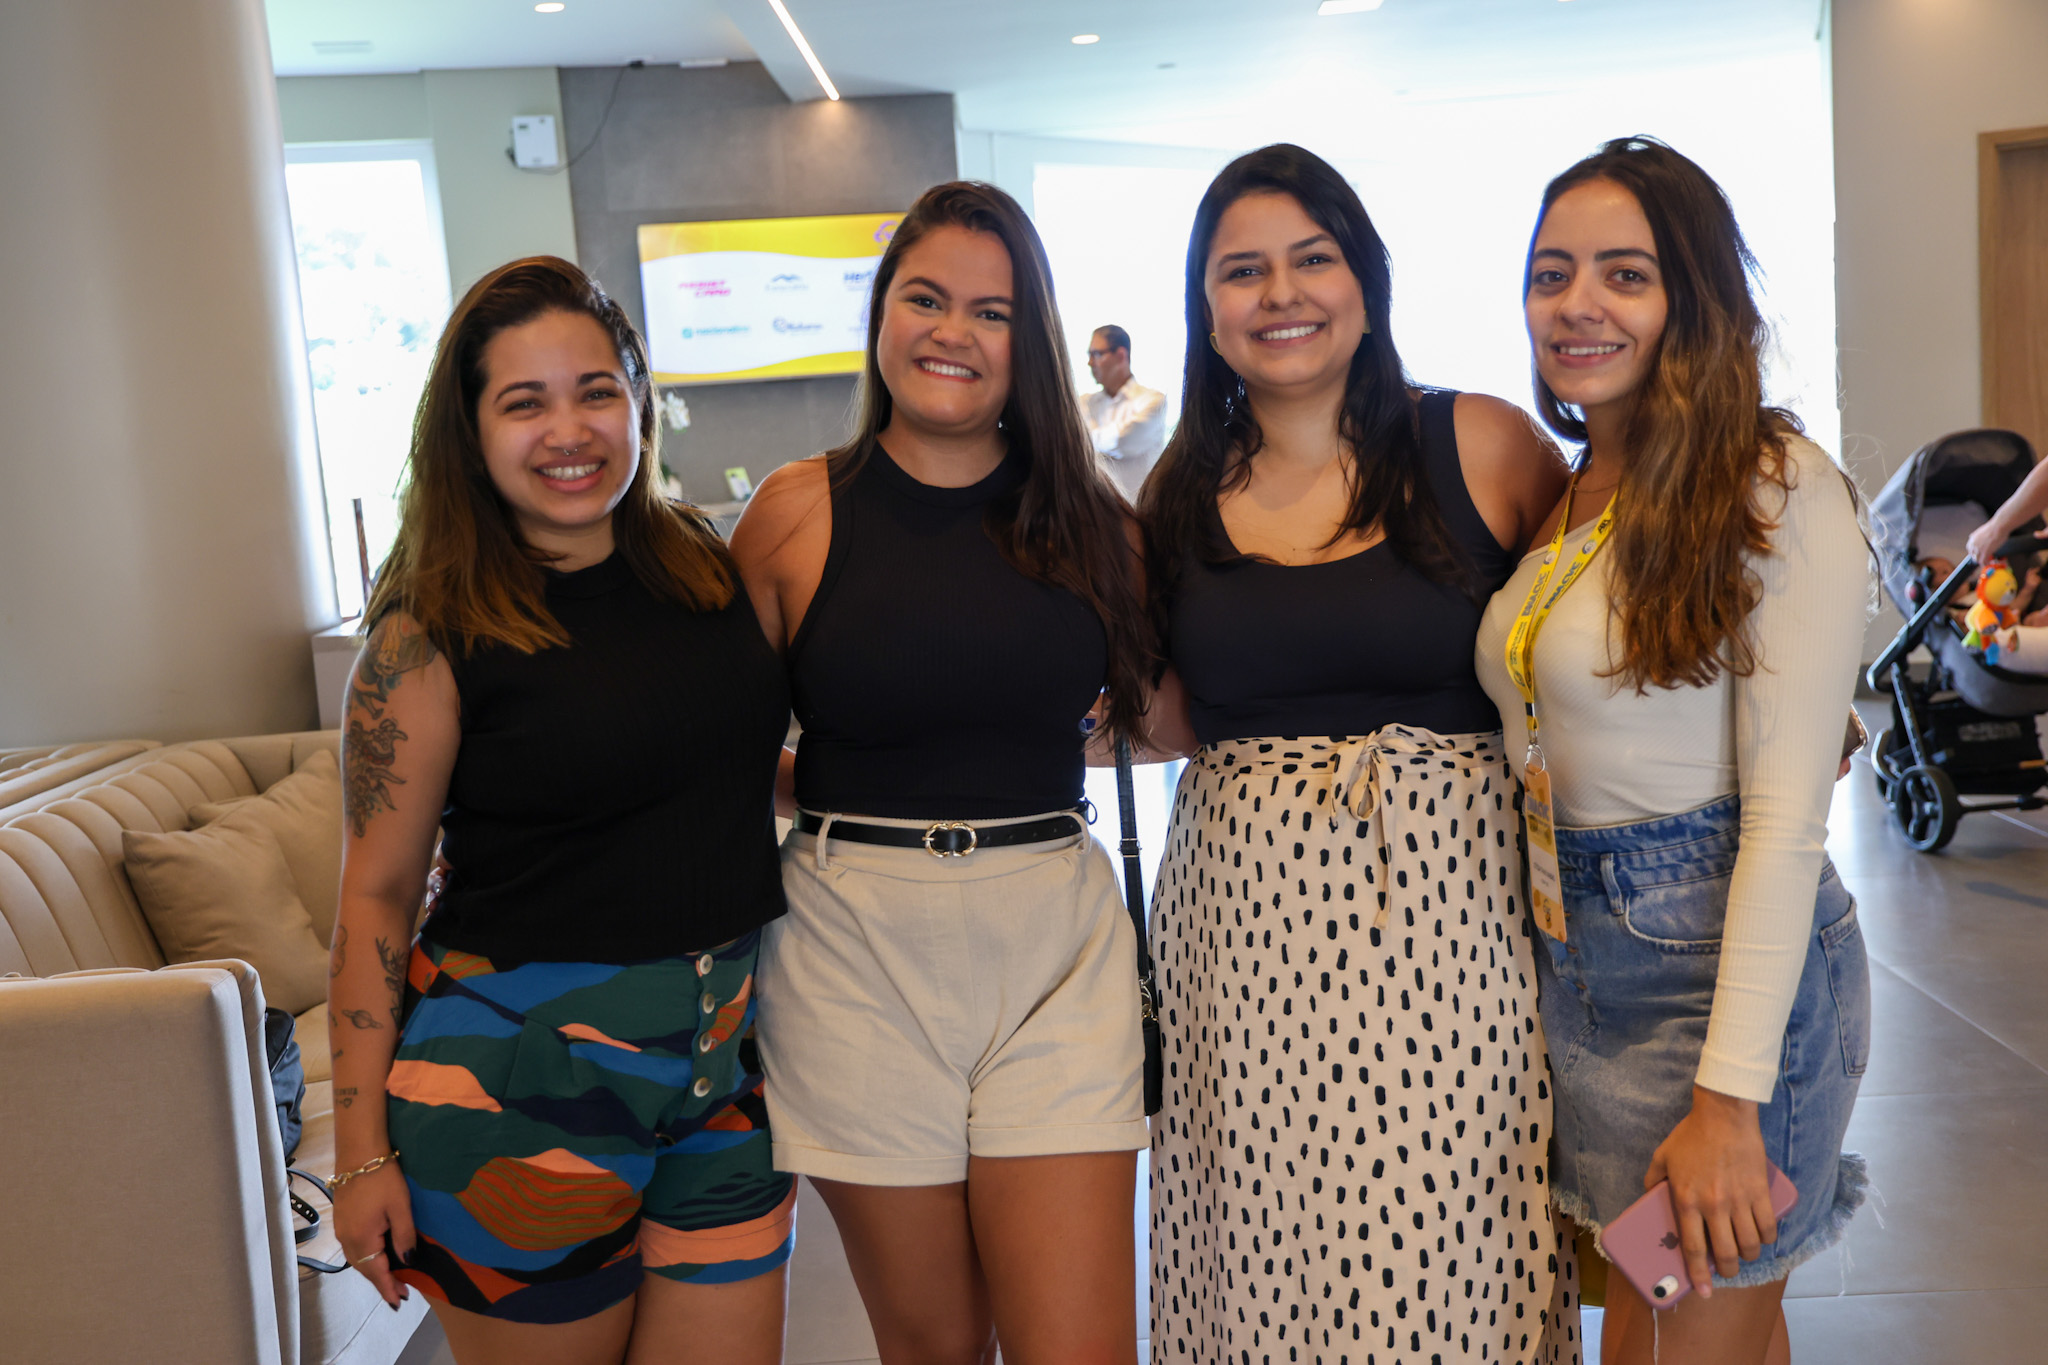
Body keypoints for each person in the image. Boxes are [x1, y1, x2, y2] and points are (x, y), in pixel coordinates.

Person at [1136, 143, 1578, 1365]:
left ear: (1365, 285)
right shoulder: (1174, 494)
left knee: (1463, 1260)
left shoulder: (1479, 444)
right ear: (1205, 310)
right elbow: (1162, 715)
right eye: (1241, 271)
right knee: (1262, 1262)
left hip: (1458, 940)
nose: (1279, 293)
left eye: (1311, 259)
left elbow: (1596, 627)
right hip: (1242, 949)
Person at [327, 257, 796, 1365]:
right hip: (513, 1097)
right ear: (470, 430)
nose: (569, 430)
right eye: (523, 402)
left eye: (595, 391)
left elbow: (722, 768)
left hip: (721, 1075)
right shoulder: (426, 630)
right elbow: (377, 894)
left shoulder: (699, 566)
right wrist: (359, 1156)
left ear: (637, 398)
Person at [729, 182, 1156, 1365]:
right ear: (882, 313)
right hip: (850, 951)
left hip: (1053, 946)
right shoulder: (793, 513)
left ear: (1028, 340)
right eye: (924, 299)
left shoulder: (1097, 525)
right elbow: (720, 748)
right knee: (935, 1347)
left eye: (990, 311)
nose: (951, 332)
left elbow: (1162, 714)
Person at [1473, 137, 1872, 1365]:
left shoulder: (1772, 483)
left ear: (1691, 299)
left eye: (1623, 274)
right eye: (1550, 273)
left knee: (1672, 1344)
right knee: (1701, 1335)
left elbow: (1782, 827)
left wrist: (1727, 1101)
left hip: (1727, 993)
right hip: (1585, 977)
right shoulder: (1573, 491)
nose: (1575, 303)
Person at [1083, 324, 1168, 502]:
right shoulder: (1083, 403)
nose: (1090, 362)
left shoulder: (1153, 401)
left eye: (1097, 354)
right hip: (1094, 511)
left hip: (1141, 512)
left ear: (1121, 355)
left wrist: (1084, 439)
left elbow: (1122, 442)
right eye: (1089, 355)